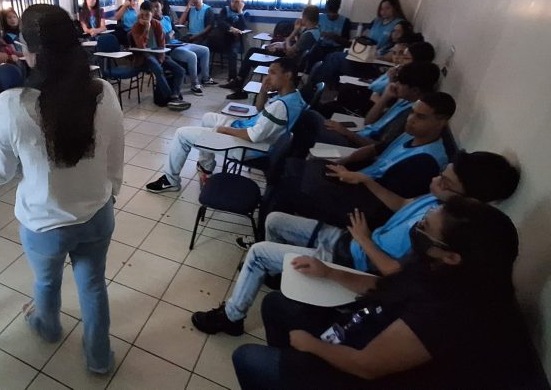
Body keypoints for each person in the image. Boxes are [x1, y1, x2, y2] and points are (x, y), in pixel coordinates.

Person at [0, 4, 124, 374]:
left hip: (44, 223)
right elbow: (115, 154)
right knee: (93, 286)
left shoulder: (13, 104)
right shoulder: (102, 92)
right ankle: (100, 359)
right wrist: (110, 193)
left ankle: (47, 325)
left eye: (22, 43)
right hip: (97, 215)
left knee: (46, 281)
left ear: (33, 52)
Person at [191, 151, 520, 337]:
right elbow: (402, 203)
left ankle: (232, 317)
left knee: (258, 252)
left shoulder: (445, 237)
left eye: (446, 180)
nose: (436, 180)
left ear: (472, 198)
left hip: (353, 261)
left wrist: (364, 238)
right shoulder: (438, 203)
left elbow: (395, 275)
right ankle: (282, 275)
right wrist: (366, 180)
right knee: (275, 220)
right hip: (350, 242)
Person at [233, 196, 522, 389]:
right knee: (276, 304)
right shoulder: (434, 266)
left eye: (426, 227)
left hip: (358, 372)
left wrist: (311, 345)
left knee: (247, 358)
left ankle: (291, 371)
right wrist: (330, 272)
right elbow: (386, 286)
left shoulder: (449, 313)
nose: (419, 226)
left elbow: (368, 367)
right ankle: (289, 369)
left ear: (452, 256)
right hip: (354, 332)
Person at [277, 91, 457, 230]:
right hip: (357, 180)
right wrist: (344, 162)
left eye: (420, 116)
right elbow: (373, 149)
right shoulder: (409, 135)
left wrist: (357, 179)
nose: (410, 120)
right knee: (296, 166)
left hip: (366, 203)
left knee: (290, 184)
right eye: (412, 113)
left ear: (441, 122)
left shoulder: (427, 161)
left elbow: (388, 203)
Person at [145, 58, 307, 193]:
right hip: (251, 133)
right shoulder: (294, 97)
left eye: (272, 73)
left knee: (181, 134)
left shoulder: (281, 107)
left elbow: (254, 136)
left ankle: (170, 180)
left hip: (249, 147)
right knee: (208, 117)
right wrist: (264, 91)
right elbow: (260, 110)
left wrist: (224, 130)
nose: (267, 77)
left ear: (288, 75)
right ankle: (206, 168)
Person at [319, 62, 441, 148]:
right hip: (359, 135)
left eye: (400, 83)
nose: (395, 84)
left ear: (415, 90)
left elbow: (380, 147)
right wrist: (385, 97)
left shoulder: (410, 114)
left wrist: (346, 132)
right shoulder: (405, 100)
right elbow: (368, 122)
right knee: (316, 117)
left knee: (313, 123)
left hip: (357, 144)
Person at [222, 5, 321, 100]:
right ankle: (239, 83)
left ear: (305, 17)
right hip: (287, 59)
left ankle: (239, 85)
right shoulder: (314, 31)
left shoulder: (308, 35)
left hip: (287, 64)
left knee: (252, 54)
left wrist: (294, 32)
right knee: (253, 51)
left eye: (302, 15)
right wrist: (280, 45)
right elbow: (294, 46)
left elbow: (290, 52)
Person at [149, 0, 216, 96]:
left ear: (162, 6)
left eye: (157, 7)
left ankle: (205, 78)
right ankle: (194, 84)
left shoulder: (167, 18)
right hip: (169, 49)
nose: (155, 9)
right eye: (152, 7)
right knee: (192, 56)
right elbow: (163, 40)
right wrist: (170, 34)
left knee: (205, 50)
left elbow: (177, 32)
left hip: (178, 43)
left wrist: (171, 34)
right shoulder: (153, 23)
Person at [130, 1, 189, 110]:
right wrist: (147, 28)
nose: (144, 17)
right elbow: (141, 46)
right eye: (142, 14)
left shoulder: (157, 24)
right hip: (145, 56)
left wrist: (161, 57)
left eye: (147, 14)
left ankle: (175, 95)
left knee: (180, 70)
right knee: (158, 69)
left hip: (159, 55)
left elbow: (162, 44)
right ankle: (172, 100)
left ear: (152, 13)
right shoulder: (136, 27)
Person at [214, 0, 250, 83]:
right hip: (222, 37)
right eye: (232, 1)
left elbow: (242, 27)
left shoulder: (245, 13)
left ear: (242, 3)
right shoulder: (225, 9)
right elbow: (220, 22)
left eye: (237, 2)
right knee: (207, 44)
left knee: (233, 52)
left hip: (235, 40)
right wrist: (232, 28)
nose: (234, 4)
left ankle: (232, 78)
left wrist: (240, 12)